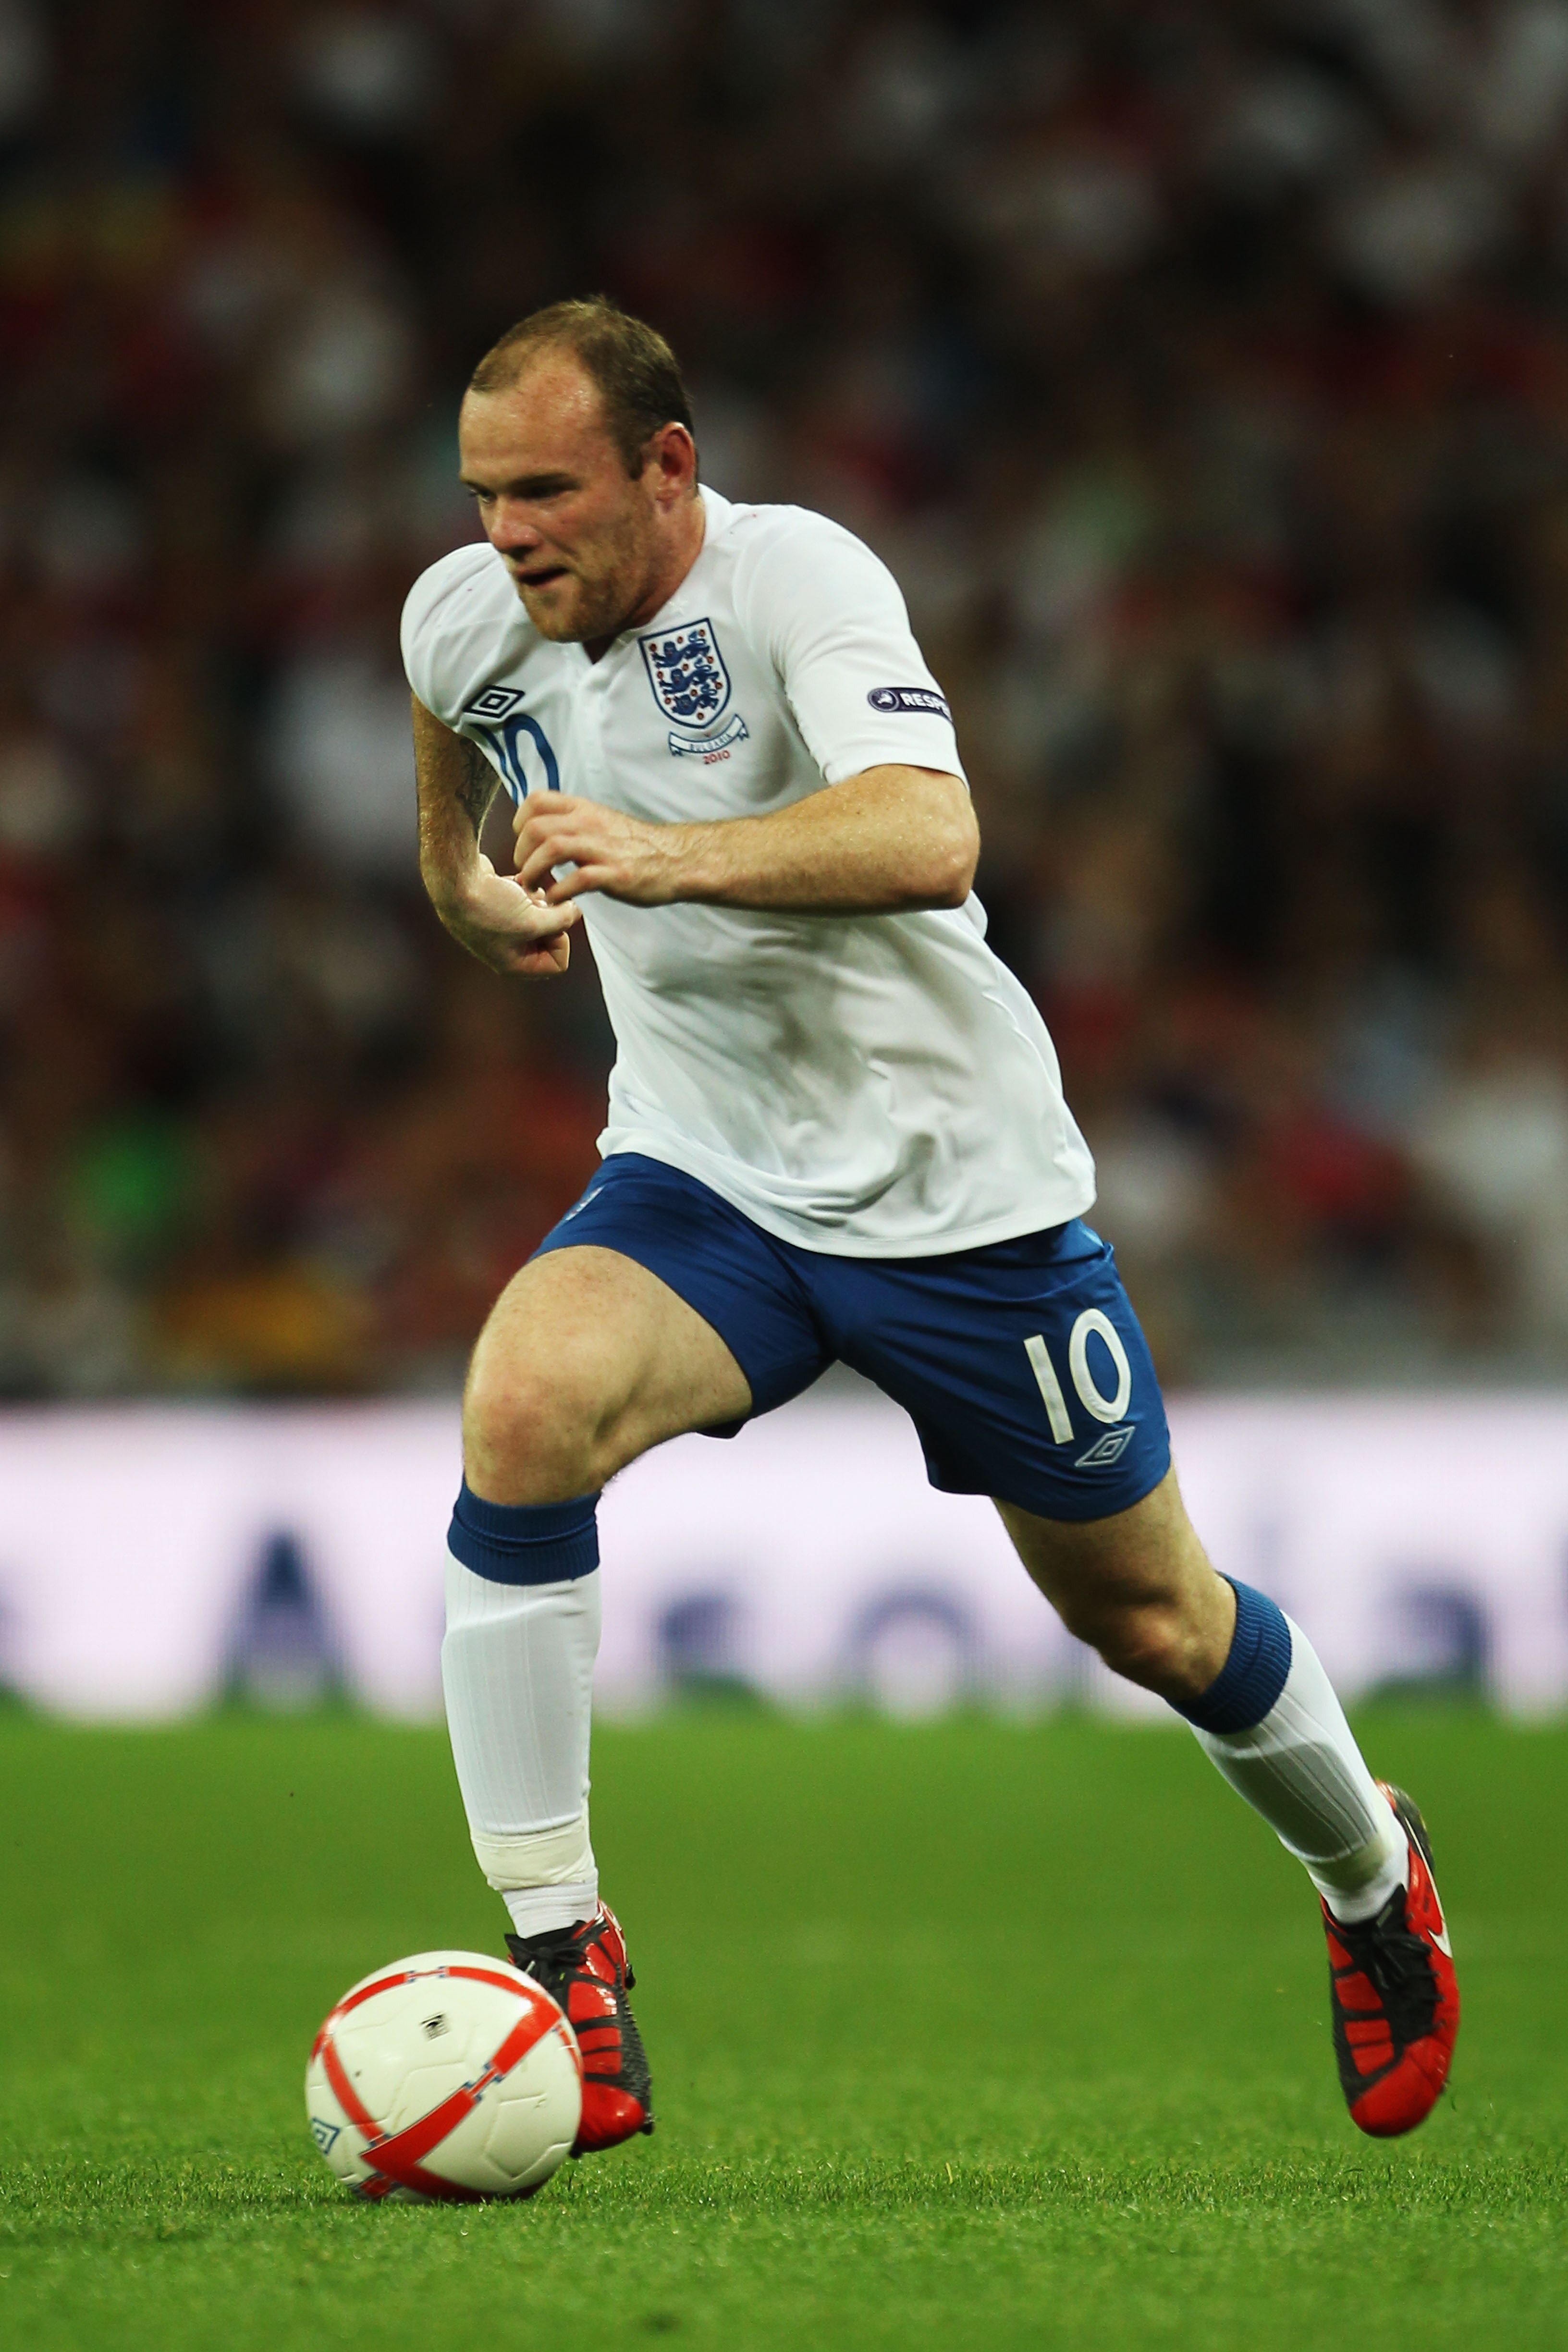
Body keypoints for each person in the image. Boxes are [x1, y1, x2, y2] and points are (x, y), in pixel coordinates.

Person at [401, 297, 1458, 2156]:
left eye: (548, 492)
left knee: (1154, 1617)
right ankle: (564, 1954)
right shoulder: (468, 608)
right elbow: (449, 714)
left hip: (956, 1197)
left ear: (670, 469)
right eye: (483, 495)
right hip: (708, 1174)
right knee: (522, 1404)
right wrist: (459, 877)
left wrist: (666, 853)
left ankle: (1375, 1879)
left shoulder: (799, 579)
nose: (507, 535)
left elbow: (929, 834)